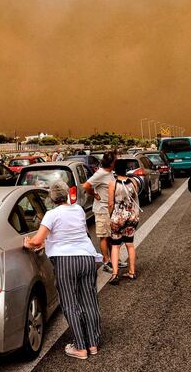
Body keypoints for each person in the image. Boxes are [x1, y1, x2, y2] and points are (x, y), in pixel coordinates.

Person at [24, 180, 102, 360]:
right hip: (87, 257)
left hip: (66, 261)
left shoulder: (51, 214)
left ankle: (80, 347)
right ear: (67, 194)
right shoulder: (79, 210)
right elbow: (73, 232)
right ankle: (93, 343)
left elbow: (37, 240)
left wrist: (28, 243)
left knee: (70, 303)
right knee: (89, 301)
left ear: (52, 197)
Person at [83, 151, 121, 272]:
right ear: (111, 163)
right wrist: (95, 195)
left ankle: (114, 259)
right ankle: (106, 261)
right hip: (102, 210)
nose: (117, 162)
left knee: (111, 236)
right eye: (115, 160)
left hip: (109, 209)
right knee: (104, 236)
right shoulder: (100, 173)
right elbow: (86, 186)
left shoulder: (109, 173)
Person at [107, 164, 141, 285]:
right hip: (132, 217)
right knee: (130, 244)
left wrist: (110, 216)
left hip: (118, 218)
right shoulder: (133, 182)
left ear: (116, 171)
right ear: (126, 171)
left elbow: (110, 203)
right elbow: (134, 197)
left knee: (115, 246)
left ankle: (115, 274)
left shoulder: (113, 184)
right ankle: (132, 272)